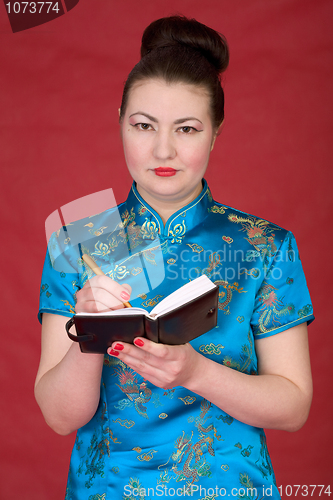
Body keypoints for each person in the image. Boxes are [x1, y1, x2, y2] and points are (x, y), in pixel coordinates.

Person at [35, 15, 314, 500]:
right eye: (143, 125)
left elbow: (293, 406)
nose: (163, 149)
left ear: (215, 130)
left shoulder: (265, 245)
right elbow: (60, 417)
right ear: (119, 118)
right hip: (107, 489)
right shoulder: (78, 240)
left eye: (186, 128)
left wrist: (196, 373)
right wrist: (88, 326)